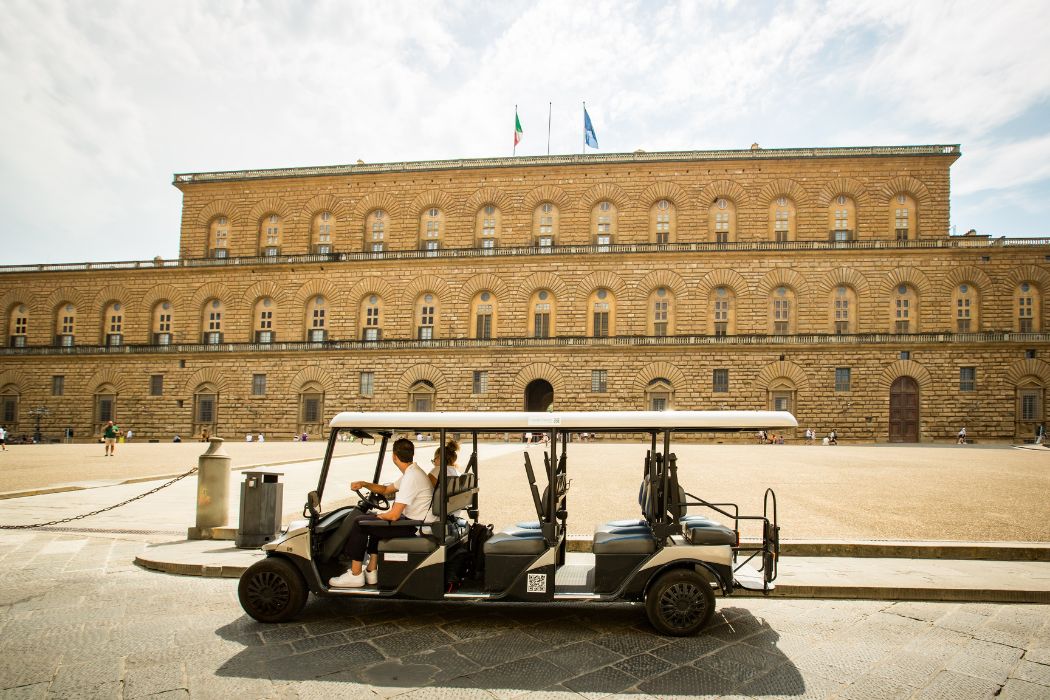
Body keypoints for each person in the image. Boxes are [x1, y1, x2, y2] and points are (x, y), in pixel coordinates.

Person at [331, 438, 436, 588]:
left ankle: (355, 574)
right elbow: (386, 490)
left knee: (360, 523)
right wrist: (364, 484)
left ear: (394, 456)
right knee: (373, 523)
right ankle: (371, 570)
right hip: (415, 521)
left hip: (416, 526)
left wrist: (377, 516)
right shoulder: (413, 472)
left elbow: (393, 515)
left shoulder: (411, 477)